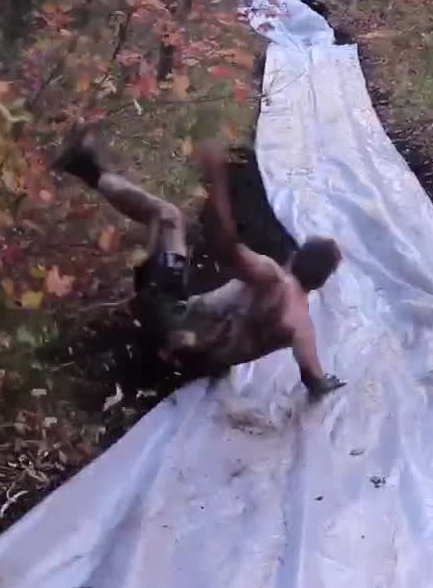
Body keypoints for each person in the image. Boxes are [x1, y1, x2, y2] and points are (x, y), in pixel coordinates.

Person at [51, 126, 346, 399]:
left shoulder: (272, 279)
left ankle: (84, 167)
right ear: (320, 282)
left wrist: (217, 176)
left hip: (169, 319)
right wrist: (327, 383)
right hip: (194, 364)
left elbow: (226, 245)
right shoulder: (303, 327)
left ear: (295, 257)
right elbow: (315, 381)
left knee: (168, 217)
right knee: (191, 290)